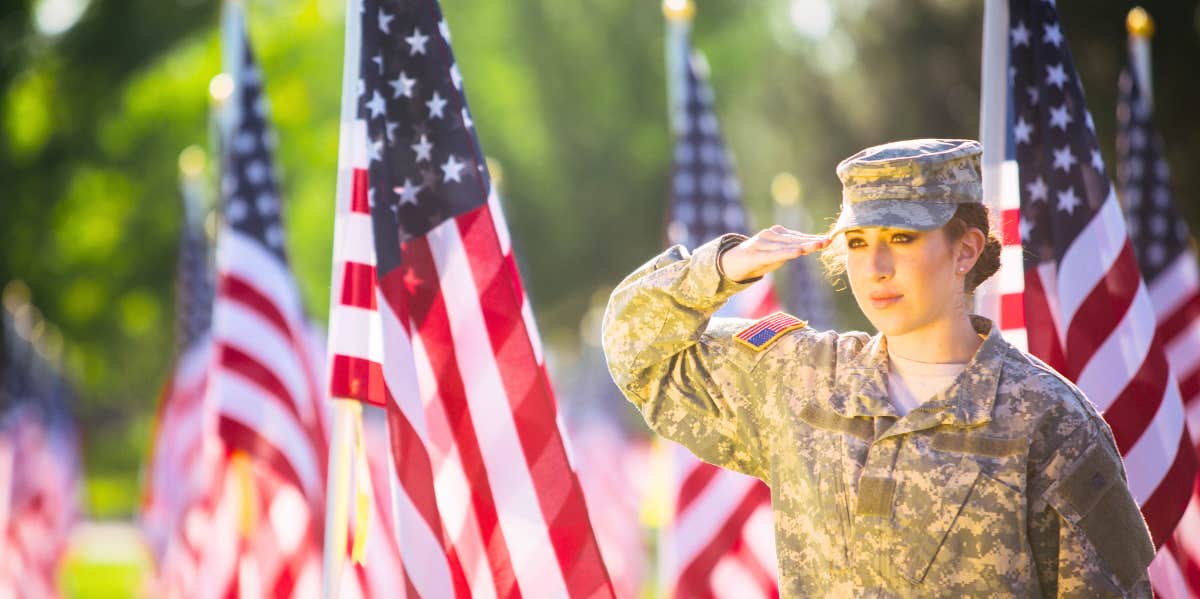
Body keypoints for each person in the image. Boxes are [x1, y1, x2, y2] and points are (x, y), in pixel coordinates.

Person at [602, 139, 1155, 597]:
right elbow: (637, 351)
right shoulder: (802, 379)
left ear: (966, 249)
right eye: (858, 242)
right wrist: (719, 268)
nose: (876, 267)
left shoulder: (1048, 419)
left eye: (902, 238)